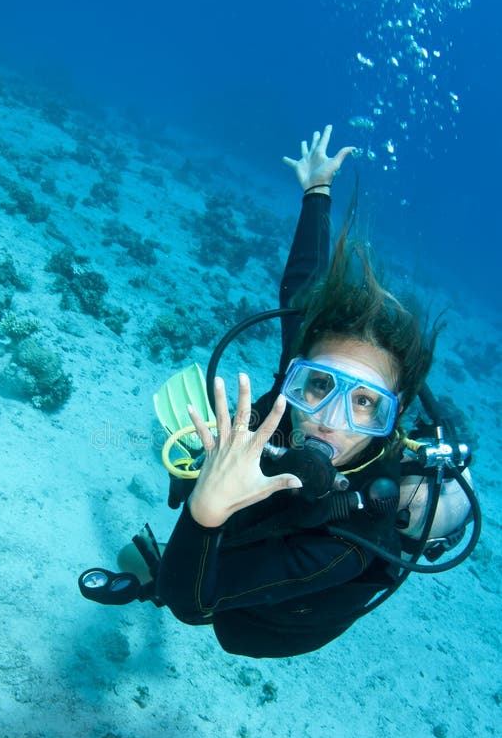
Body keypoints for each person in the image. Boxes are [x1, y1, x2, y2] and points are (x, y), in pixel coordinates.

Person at [79, 125, 441, 658]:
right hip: (253, 509)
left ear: (395, 415)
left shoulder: (353, 541)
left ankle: (155, 572)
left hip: (271, 612)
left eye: (365, 402)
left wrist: (206, 511)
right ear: (301, 371)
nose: (328, 419)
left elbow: (190, 605)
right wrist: (317, 191)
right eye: (318, 385)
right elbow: (303, 285)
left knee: (221, 612)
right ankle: (187, 540)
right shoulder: (309, 373)